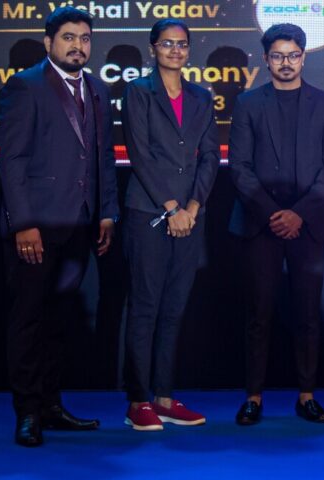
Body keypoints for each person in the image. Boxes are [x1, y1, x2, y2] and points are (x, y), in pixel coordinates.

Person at [0, 7, 119, 447]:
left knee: (59, 320)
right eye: (69, 37)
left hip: (80, 224)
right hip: (37, 227)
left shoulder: (97, 88)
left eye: (84, 38)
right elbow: (12, 161)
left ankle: (51, 405)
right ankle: (27, 412)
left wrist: (106, 212)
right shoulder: (25, 85)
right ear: (49, 42)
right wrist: (23, 223)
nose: (77, 46)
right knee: (29, 320)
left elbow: (102, 157)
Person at [229, 24, 324, 425]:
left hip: (308, 224)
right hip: (260, 223)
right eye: (277, 55)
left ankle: (306, 395)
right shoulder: (247, 103)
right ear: (265, 59)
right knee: (258, 314)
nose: (285, 62)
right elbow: (239, 167)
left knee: (309, 313)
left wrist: (299, 213)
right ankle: (253, 397)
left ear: (303, 57)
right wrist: (273, 214)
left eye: (293, 55)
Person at [120, 19, 218, 431]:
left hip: (191, 216)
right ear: (153, 48)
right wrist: (172, 207)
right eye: (167, 44)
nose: (175, 51)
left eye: (182, 44)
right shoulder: (138, 91)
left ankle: (163, 396)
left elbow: (209, 156)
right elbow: (140, 155)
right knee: (146, 306)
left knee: (175, 308)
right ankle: (138, 401)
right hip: (149, 212)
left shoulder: (201, 96)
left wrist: (193, 206)